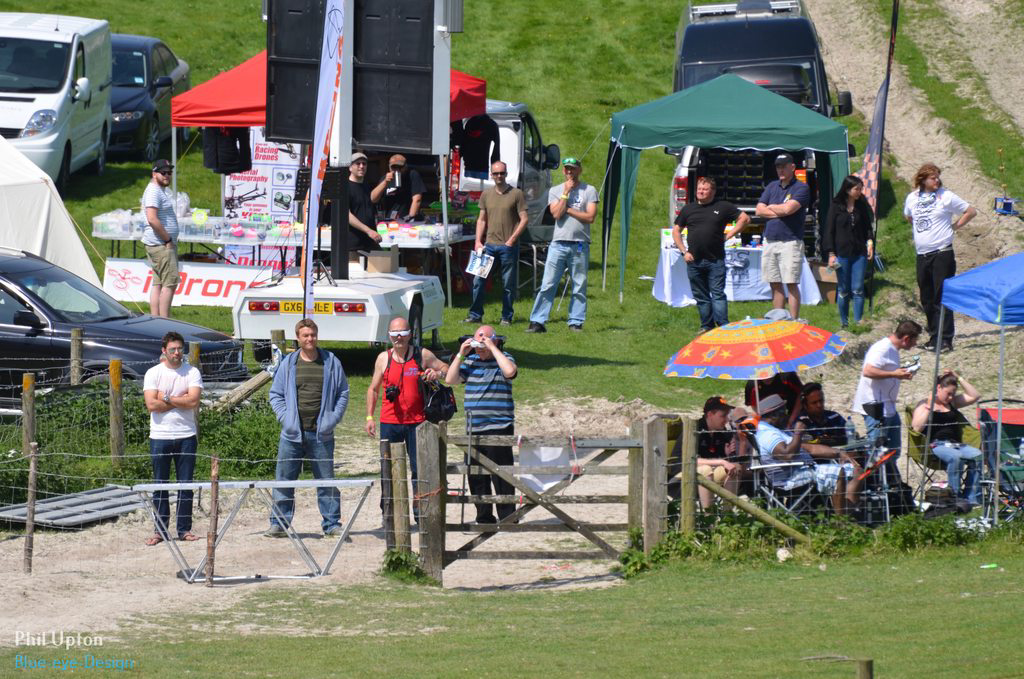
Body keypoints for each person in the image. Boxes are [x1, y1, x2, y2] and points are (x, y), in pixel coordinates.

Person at [266, 319, 350, 538]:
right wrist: (286, 418)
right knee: (284, 480)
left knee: (326, 480)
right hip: (292, 434)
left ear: (317, 335)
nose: (309, 339)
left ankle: (331, 524)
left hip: (322, 433)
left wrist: (333, 417)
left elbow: (343, 392)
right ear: (298, 338)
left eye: (312, 335)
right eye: (305, 335)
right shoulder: (289, 363)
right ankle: (279, 524)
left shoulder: (331, 361)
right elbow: (275, 394)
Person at [365, 317, 448, 520]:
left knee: (419, 469)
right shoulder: (383, 358)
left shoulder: (422, 354)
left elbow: (446, 369)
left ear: (410, 334)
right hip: (390, 422)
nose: (399, 337)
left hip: (417, 423)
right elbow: (373, 389)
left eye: (402, 333)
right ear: (389, 336)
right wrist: (369, 416)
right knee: (389, 469)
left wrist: (435, 373)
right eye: (394, 334)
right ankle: (390, 514)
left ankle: (420, 513)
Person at [445, 325, 518, 523]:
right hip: (473, 428)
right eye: (477, 344)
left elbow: (510, 372)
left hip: (499, 426)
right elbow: (450, 379)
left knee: (502, 473)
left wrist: (493, 348)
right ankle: (484, 515)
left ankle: (508, 516)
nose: (479, 349)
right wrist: (461, 353)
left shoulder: (505, 358)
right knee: (476, 476)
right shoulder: (471, 361)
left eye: (482, 344)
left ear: (494, 341)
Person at [903, 163, 977, 352]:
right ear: (923, 179)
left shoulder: (946, 196)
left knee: (941, 295)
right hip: (922, 254)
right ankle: (934, 336)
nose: (937, 180)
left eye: (938, 177)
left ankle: (945, 339)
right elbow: (909, 216)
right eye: (933, 178)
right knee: (926, 297)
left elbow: (970, 211)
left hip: (942, 252)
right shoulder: (912, 198)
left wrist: (954, 227)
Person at [754, 394, 863, 516]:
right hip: (790, 478)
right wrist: (798, 434)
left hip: (803, 470)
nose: (787, 414)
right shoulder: (767, 434)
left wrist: (840, 454)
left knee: (856, 471)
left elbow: (809, 448)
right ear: (774, 415)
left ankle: (846, 515)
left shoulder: (778, 431)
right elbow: (787, 455)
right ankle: (841, 523)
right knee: (838, 473)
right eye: (784, 411)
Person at [526, 157, 599, 333]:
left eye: (573, 169)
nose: (569, 172)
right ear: (563, 171)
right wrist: (565, 194)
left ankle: (575, 321)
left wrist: (568, 209)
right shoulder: (556, 190)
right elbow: (557, 214)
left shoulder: (589, 190)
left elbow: (590, 217)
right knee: (548, 283)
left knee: (579, 285)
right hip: (558, 244)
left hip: (580, 244)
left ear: (579, 170)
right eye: (567, 169)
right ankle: (538, 321)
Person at [142, 331, 202, 546]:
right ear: (164, 351)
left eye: (179, 349)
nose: (177, 353)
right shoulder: (153, 373)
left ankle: (184, 528)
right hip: (160, 436)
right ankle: (160, 530)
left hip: (186, 434)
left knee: (185, 483)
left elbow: (194, 401)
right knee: (160, 483)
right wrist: (180, 399)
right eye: (172, 350)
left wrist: (165, 397)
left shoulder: (191, 372)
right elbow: (151, 405)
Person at [672, 177, 750, 332]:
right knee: (701, 296)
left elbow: (745, 219)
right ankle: (706, 327)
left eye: (705, 189)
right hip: (693, 260)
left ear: (713, 191)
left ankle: (723, 326)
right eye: (699, 189)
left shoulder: (722, 207)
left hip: (716, 260)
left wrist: (728, 235)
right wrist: (683, 251)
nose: (701, 191)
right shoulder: (688, 209)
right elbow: (676, 231)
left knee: (718, 294)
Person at [465, 161, 529, 326]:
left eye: (501, 173)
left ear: (506, 174)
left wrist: (512, 240)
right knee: (478, 281)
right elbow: (481, 219)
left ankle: (506, 316)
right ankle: (475, 315)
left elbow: (524, 219)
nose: (499, 176)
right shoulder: (486, 194)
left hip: (508, 247)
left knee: (508, 284)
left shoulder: (516, 194)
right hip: (488, 246)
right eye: (496, 173)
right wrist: (478, 241)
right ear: (491, 175)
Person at [852, 319, 923, 467]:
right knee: (877, 453)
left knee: (893, 452)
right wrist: (894, 374)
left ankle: (890, 484)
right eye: (914, 340)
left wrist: (901, 373)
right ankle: (874, 485)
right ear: (906, 339)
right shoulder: (882, 348)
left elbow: (887, 371)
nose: (915, 344)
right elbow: (868, 370)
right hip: (875, 407)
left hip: (888, 406)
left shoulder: (893, 350)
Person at [912, 371, 982, 506]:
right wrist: (929, 406)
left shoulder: (952, 403)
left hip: (956, 444)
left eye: (953, 394)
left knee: (977, 455)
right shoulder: (923, 405)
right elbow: (916, 428)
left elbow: (975, 395)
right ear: (938, 388)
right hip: (936, 445)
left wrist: (958, 377)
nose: (950, 397)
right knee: (956, 457)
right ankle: (953, 498)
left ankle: (971, 498)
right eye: (948, 393)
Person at [755, 153, 811, 320]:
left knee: (791, 282)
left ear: (792, 167)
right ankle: (778, 319)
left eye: (784, 166)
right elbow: (759, 210)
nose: (780, 169)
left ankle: (793, 320)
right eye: (778, 166)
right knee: (774, 282)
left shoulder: (801, 188)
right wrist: (779, 210)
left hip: (790, 241)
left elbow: (789, 209)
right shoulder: (772, 186)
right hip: (770, 240)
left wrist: (771, 208)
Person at [669, 397, 746, 510]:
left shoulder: (722, 433)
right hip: (682, 475)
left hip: (707, 475)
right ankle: (709, 518)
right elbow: (690, 460)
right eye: (723, 415)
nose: (726, 420)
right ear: (710, 414)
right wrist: (721, 461)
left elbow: (726, 462)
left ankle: (727, 516)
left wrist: (728, 455)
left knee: (735, 468)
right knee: (705, 470)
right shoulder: (695, 430)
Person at [823, 175, 874, 328]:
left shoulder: (862, 205)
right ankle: (844, 322)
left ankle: (858, 321)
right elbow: (829, 230)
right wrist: (831, 253)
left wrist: (870, 242)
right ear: (847, 189)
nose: (859, 192)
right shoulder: (835, 205)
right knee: (843, 289)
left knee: (858, 288)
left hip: (859, 253)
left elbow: (868, 227)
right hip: (841, 254)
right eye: (856, 189)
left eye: (860, 188)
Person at [141, 159, 179, 318]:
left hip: (158, 244)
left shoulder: (158, 190)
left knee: (158, 283)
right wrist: (168, 240)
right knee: (169, 284)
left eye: (169, 172)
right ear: (154, 173)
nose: (167, 175)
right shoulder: (153, 191)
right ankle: (164, 322)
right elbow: (152, 219)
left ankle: (156, 319)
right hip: (161, 244)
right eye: (163, 173)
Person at [347, 151, 383, 254]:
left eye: (364, 164)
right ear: (350, 167)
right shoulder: (345, 187)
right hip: (353, 244)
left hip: (370, 242)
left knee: (384, 268)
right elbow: (347, 215)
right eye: (358, 164)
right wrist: (368, 231)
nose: (361, 166)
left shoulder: (367, 186)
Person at [797, 382, 849, 448]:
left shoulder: (835, 417)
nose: (819, 405)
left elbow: (851, 436)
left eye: (821, 401)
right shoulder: (800, 424)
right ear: (805, 405)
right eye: (814, 403)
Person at [376, 154, 425, 221]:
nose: (397, 170)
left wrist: (410, 218)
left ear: (406, 166)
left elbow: (417, 199)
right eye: (394, 167)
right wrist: (385, 182)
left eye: (400, 167)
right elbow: (373, 199)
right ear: (389, 167)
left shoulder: (412, 175)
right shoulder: (385, 179)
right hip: (390, 219)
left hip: (407, 218)